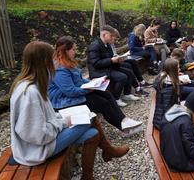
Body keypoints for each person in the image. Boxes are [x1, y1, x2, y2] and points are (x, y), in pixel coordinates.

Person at [9, 41, 129, 179]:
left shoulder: (31, 85)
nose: (55, 63)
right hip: (35, 150)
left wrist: (61, 119)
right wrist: (64, 122)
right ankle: (109, 150)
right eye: (52, 59)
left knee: (93, 133)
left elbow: (45, 118)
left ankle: (89, 176)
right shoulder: (30, 93)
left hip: (41, 141)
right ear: (44, 62)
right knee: (89, 118)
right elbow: (36, 135)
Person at [49, 36, 142, 136]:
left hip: (75, 93)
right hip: (64, 101)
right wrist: (89, 89)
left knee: (106, 93)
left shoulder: (67, 61)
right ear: (65, 50)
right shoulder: (59, 68)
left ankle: (124, 120)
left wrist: (92, 82)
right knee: (102, 103)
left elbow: (79, 80)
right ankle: (124, 128)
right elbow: (70, 91)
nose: (75, 52)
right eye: (73, 49)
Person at [87, 25, 140, 107]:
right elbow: (95, 64)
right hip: (98, 72)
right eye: (111, 35)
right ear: (104, 35)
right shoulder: (95, 46)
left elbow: (110, 57)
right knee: (122, 77)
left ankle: (127, 94)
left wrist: (118, 59)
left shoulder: (107, 44)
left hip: (108, 68)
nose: (112, 37)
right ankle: (116, 99)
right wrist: (111, 60)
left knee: (129, 72)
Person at [110, 28, 151, 96]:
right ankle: (136, 88)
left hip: (117, 59)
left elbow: (114, 54)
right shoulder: (106, 44)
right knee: (128, 66)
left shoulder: (111, 44)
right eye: (115, 39)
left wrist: (119, 56)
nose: (116, 41)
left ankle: (142, 82)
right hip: (113, 63)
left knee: (132, 61)